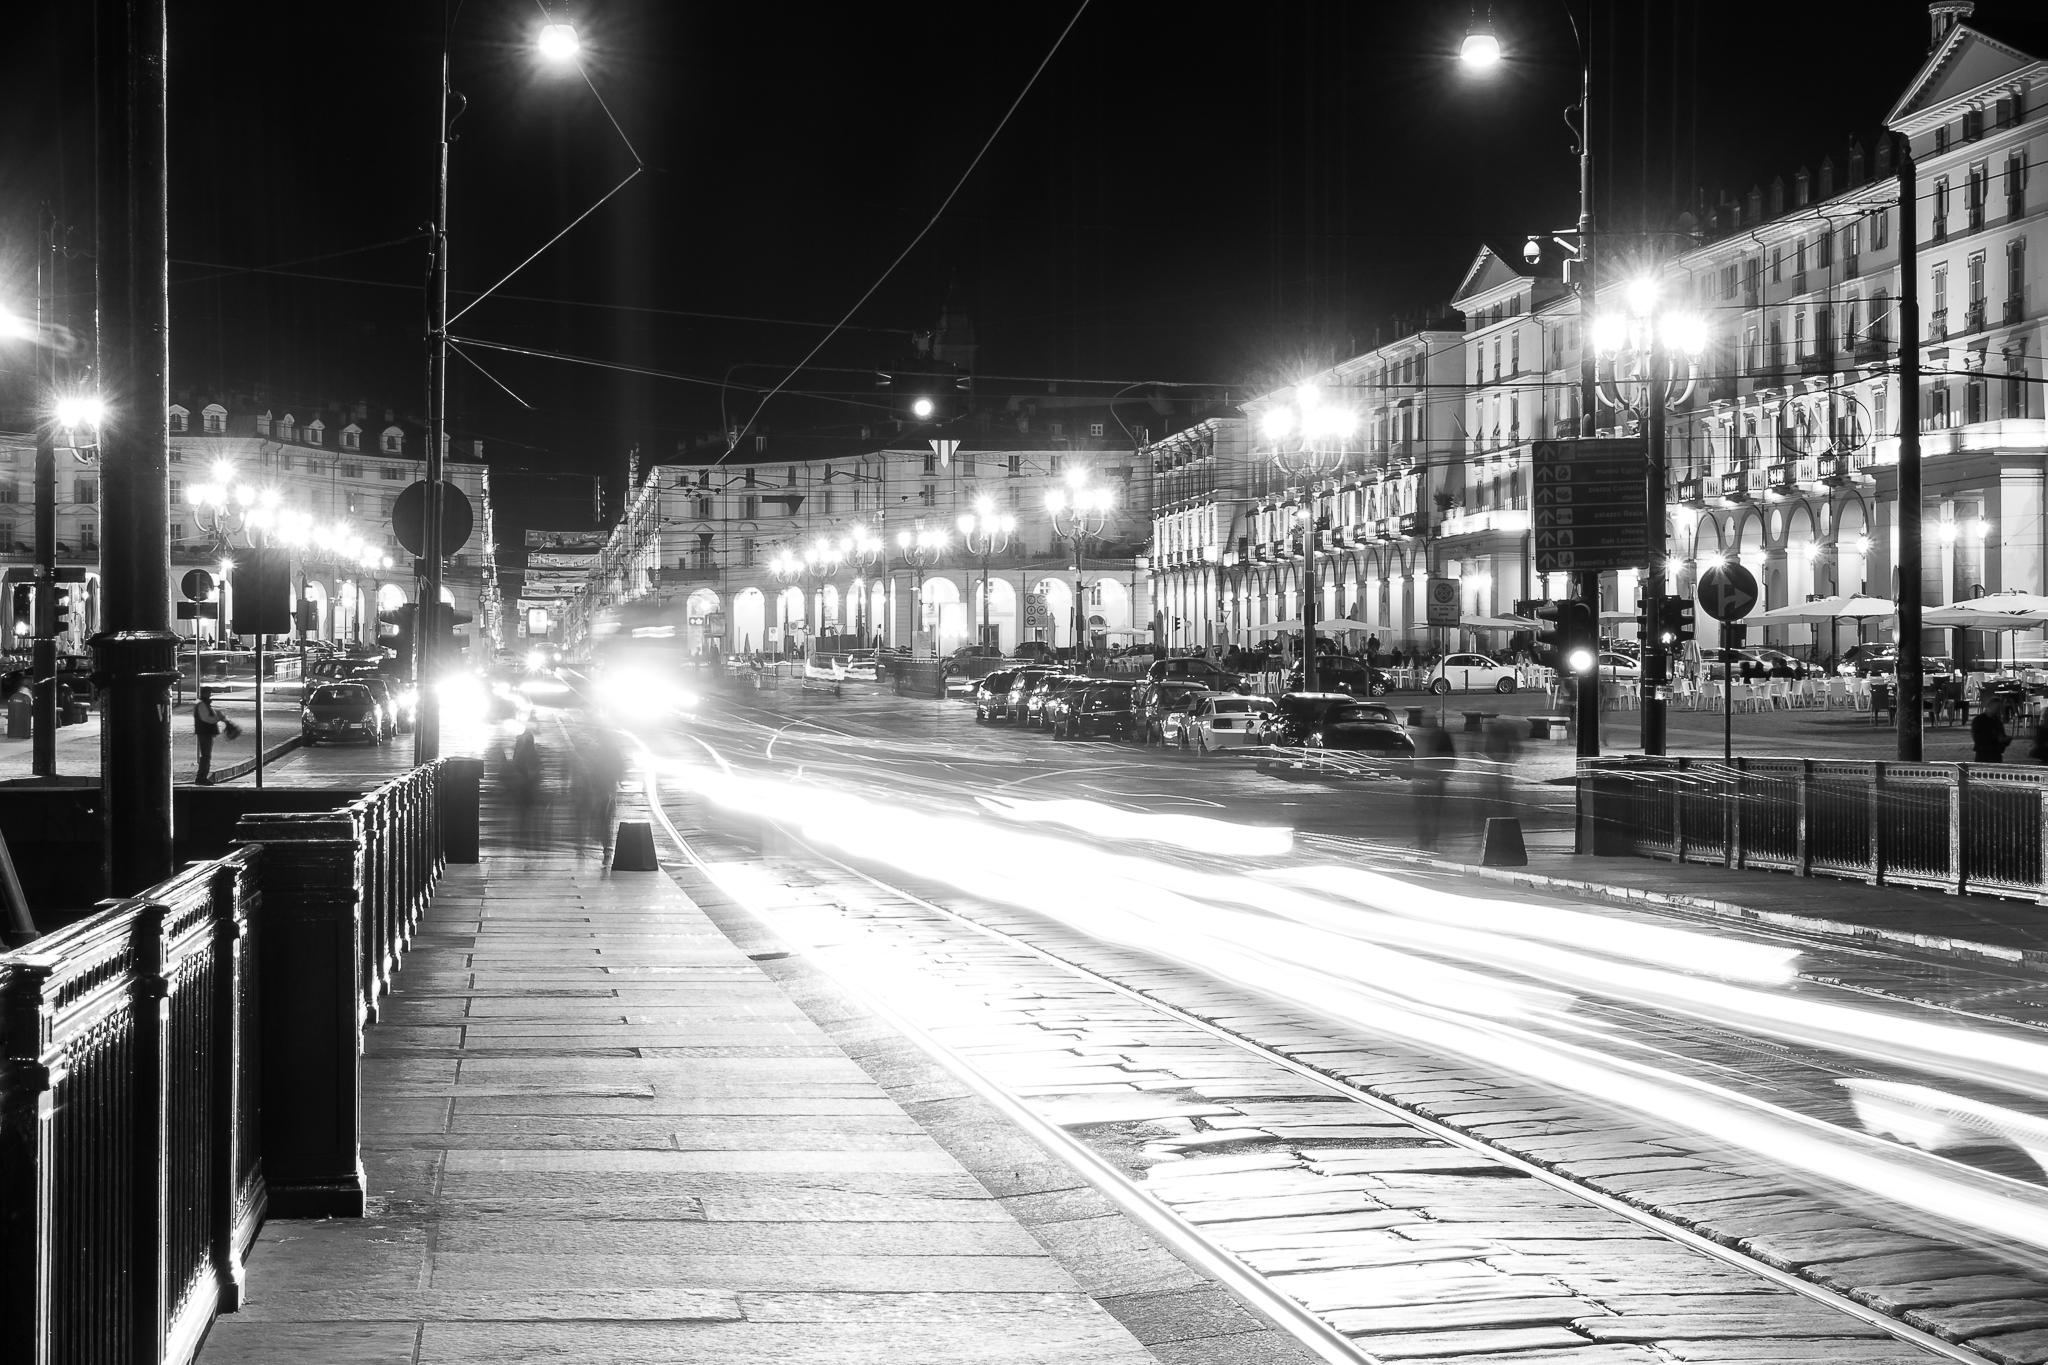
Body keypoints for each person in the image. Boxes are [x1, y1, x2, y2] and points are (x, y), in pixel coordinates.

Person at [1411, 715, 1457, 852]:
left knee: (1429, 813)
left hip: (1430, 781)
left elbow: (1450, 756)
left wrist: (1443, 773)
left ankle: (1427, 839)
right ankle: (1426, 839)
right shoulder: (1422, 735)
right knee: (1427, 813)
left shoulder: (1433, 736)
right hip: (1425, 781)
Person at [192, 687, 239, 784]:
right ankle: (201, 777)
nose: (210, 695)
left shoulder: (204, 705)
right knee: (206, 756)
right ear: (205, 693)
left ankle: (202, 777)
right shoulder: (202, 705)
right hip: (204, 733)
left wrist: (218, 717)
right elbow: (207, 719)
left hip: (206, 733)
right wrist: (218, 718)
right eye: (209, 693)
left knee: (206, 755)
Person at [1972, 698, 2012, 763]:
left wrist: (2005, 740)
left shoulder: (1997, 721)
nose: (1998, 710)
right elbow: (1978, 738)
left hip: (1996, 754)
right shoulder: (1979, 720)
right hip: (1983, 755)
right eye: (1997, 708)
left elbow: (2001, 734)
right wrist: (1997, 739)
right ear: (1990, 706)